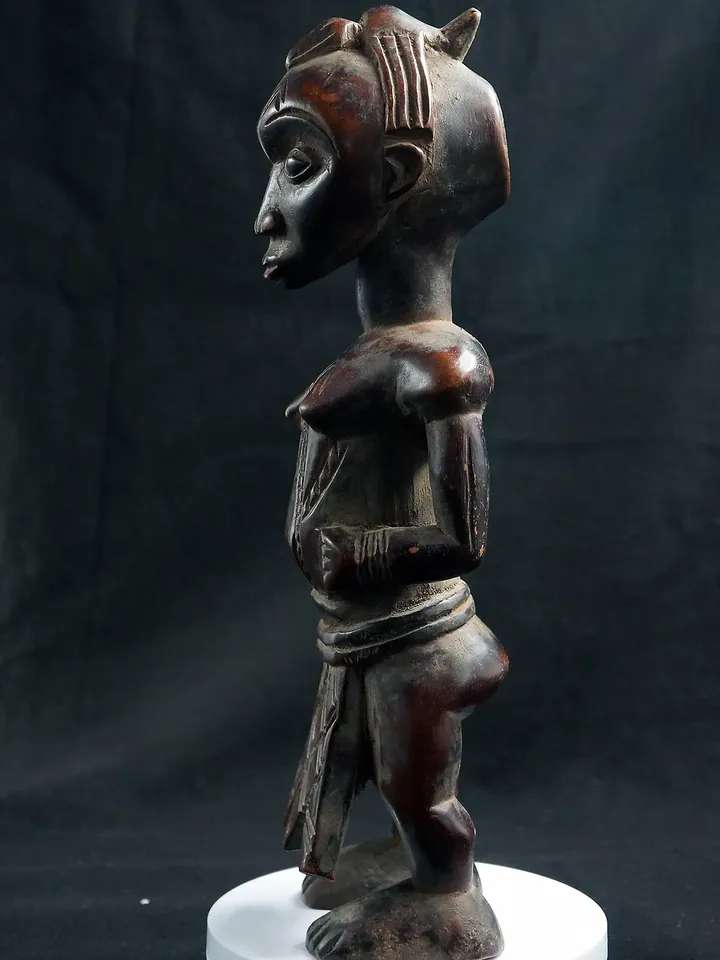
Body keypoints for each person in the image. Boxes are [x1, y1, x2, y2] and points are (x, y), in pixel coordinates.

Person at [255, 7, 511, 958]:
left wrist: (361, 554)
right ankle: (410, 868)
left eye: (299, 164)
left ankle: (447, 897)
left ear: (397, 176)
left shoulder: (441, 368)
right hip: (373, 637)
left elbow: (464, 537)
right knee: (399, 784)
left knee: (421, 794)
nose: (266, 211)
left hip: (420, 645)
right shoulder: (391, 351)